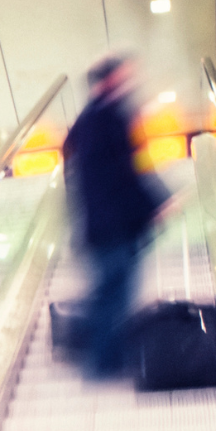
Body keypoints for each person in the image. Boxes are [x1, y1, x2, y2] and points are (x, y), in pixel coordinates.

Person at [62, 55, 167, 375]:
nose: (128, 83)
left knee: (112, 293)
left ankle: (107, 359)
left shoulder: (88, 122)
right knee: (114, 294)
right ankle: (103, 362)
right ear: (108, 80)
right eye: (122, 77)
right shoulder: (107, 119)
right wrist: (156, 204)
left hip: (103, 225)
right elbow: (126, 172)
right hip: (113, 225)